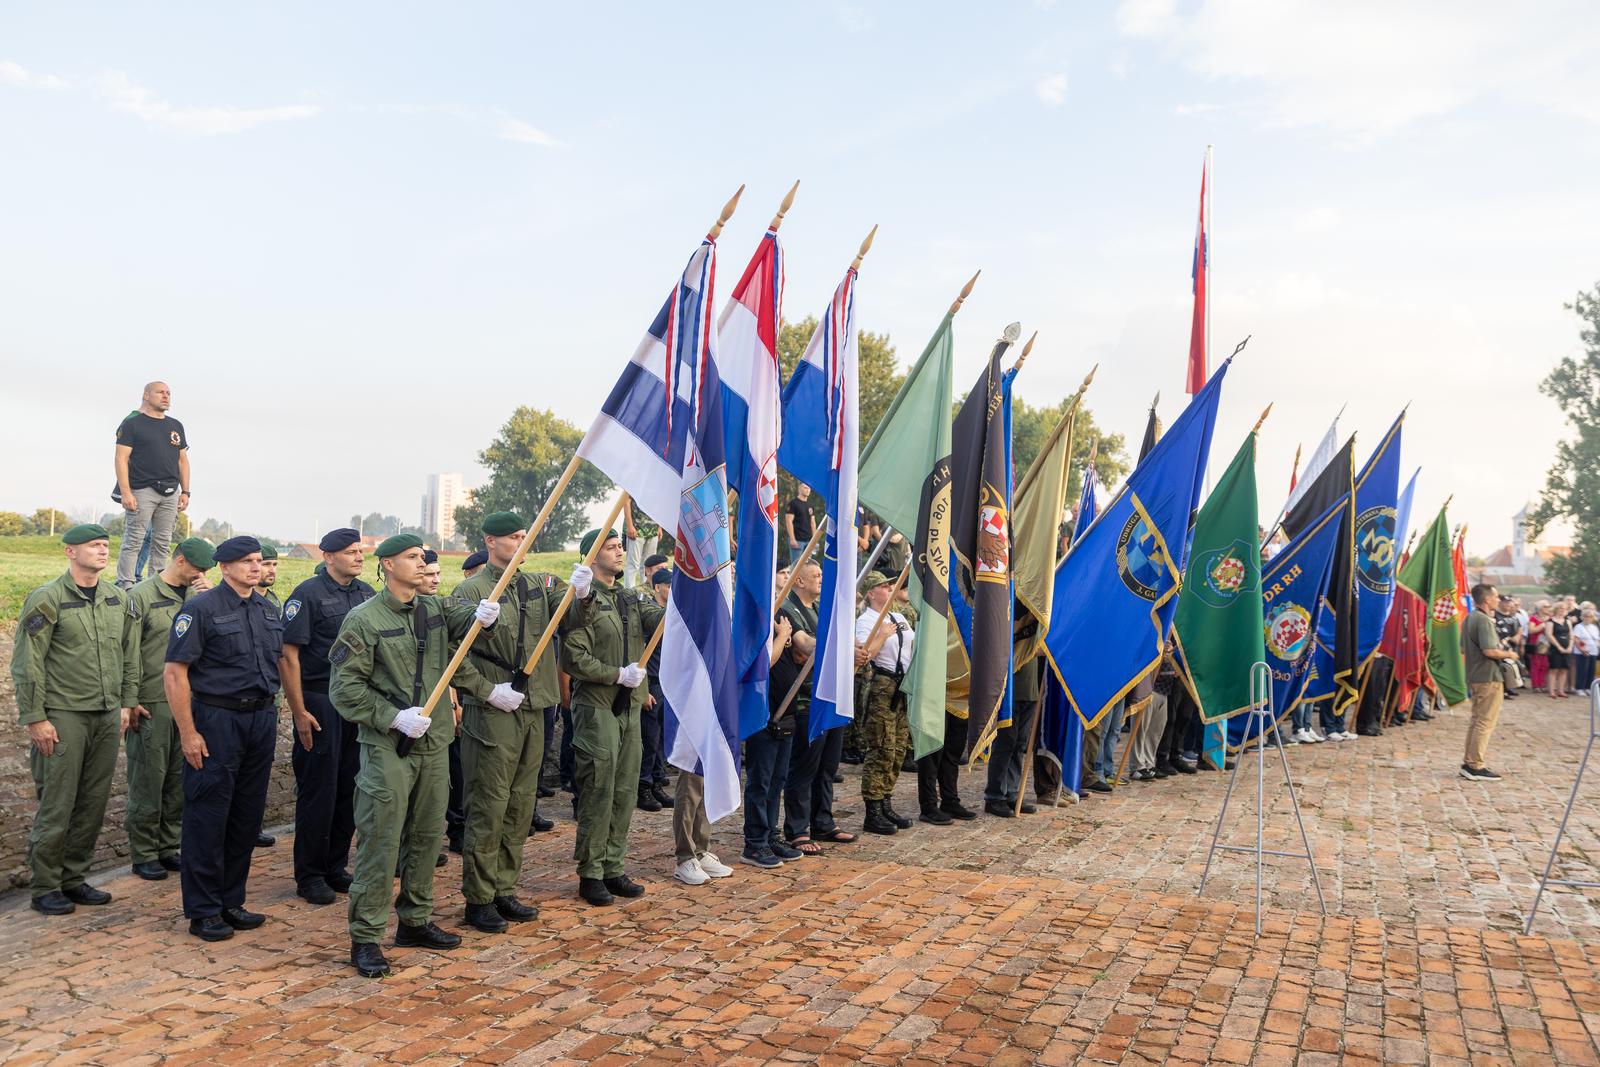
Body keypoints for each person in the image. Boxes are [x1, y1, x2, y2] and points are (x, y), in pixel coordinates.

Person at [329, 534, 503, 977]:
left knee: (427, 836)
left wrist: (486, 614)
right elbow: (345, 689)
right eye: (412, 557)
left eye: (423, 556)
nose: (422, 562)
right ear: (387, 565)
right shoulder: (363, 619)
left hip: (434, 741)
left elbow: (465, 619)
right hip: (388, 744)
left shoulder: (434, 609)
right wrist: (392, 717)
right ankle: (366, 937)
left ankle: (415, 920)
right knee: (381, 840)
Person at [450, 512, 593, 934]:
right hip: (494, 710)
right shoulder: (469, 591)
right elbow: (453, 653)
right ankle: (478, 897)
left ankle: (503, 888)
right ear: (490, 541)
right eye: (513, 536)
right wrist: (485, 690)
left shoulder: (538, 584)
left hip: (536, 705)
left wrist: (582, 594)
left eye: (524, 536)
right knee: (489, 803)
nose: (521, 542)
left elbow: (571, 621)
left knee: (520, 804)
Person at [163, 536, 283, 941]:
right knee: (208, 815)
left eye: (258, 560)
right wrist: (188, 732)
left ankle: (232, 901)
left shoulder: (267, 610)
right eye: (246, 561)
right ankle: (203, 910)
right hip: (217, 719)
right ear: (224, 567)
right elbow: (175, 674)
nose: (255, 567)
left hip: (260, 718)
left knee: (246, 816)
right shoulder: (201, 609)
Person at [12, 524, 130, 915]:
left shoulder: (115, 597)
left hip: (106, 713)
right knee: (57, 803)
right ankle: (46, 885)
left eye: (105, 545)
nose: (103, 551)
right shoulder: (47, 598)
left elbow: (128, 655)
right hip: (64, 716)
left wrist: (126, 704)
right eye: (94, 545)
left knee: (93, 802)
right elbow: (28, 662)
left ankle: (74, 878)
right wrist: (36, 718)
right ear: (70, 552)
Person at [559, 528, 664, 906]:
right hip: (598, 705)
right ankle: (590, 872)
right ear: (591, 555)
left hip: (631, 706)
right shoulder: (580, 599)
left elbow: (659, 622)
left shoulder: (631, 597)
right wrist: (615, 674)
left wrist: (688, 596)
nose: (620, 552)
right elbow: (573, 657)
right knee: (599, 788)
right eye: (611, 546)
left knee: (624, 789)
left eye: (621, 546)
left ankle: (613, 866)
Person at [280, 528, 375, 905]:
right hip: (321, 700)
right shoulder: (307, 594)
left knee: (350, 787)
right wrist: (299, 711)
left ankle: (335, 866)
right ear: (328, 557)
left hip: (357, 701)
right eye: (351, 552)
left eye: (360, 551)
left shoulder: (366, 594)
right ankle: (310, 875)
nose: (359, 557)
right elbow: (289, 656)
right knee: (319, 790)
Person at [120, 536, 215, 880]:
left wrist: (211, 597)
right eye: (198, 568)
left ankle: (168, 846)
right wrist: (129, 699)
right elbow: (127, 650)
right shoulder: (141, 596)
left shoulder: (199, 597)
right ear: (180, 561)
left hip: (189, 701)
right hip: (152, 701)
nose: (201, 575)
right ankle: (144, 852)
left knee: (179, 778)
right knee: (149, 779)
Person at [780, 559, 857, 852]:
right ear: (799, 580)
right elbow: (803, 645)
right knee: (804, 767)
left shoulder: (819, 609)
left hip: (831, 696)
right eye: (816, 575)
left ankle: (822, 821)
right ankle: (797, 829)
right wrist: (839, 647)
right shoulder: (789, 608)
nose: (821, 579)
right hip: (806, 700)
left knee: (827, 766)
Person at [114, 382, 191, 588]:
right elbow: (121, 458)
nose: (166, 396)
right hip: (142, 489)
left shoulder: (175, 426)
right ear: (146, 395)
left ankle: (156, 585)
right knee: (134, 540)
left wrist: (185, 491)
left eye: (168, 393)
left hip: (171, 492)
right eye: (160, 392)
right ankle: (126, 585)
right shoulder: (132, 423)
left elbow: (182, 460)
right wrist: (126, 492)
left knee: (163, 542)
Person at [855, 572, 915, 836]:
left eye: (891, 585)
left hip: (902, 686)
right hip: (882, 685)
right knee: (881, 747)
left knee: (898, 748)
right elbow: (864, 655)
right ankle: (873, 810)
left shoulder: (899, 617)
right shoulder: (866, 620)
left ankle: (886, 802)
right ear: (871, 593)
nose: (890, 588)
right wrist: (881, 635)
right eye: (884, 586)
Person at [742, 612, 799, 869]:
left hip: (785, 715)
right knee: (760, 782)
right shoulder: (753, 617)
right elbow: (762, 664)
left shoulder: (781, 615)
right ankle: (755, 843)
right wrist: (783, 635)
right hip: (763, 714)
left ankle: (771, 835)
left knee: (777, 781)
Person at [1461, 583, 1516, 782]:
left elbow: (1463, 648)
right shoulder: (1484, 620)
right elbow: (1490, 651)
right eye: (1496, 596)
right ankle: (1475, 764)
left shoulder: (1470, 617)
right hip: (1488, 676)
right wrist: (1509, 654)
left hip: (1475, 674)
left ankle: (1470, 761)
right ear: (1486, 599)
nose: (1498, 600)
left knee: (1477, 720)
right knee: (1485, 721)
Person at [984, 642, 1043, 816]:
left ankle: (1012, 793)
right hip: (1011, 692)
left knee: (1019, 745)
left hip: (1030, 691)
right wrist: (1036, 648)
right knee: (1005, 745)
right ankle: (994, 796)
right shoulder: (1013, 627)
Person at [621, 499, 660, 588]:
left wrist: (659, 527)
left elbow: (659, 503)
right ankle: (629, 591)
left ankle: (647, 590)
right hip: (636, 530)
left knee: (650, 564)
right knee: (633, 565)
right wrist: (630, 526)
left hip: (653, 530)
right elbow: (626, 502)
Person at [1495, 597, 1524, 699]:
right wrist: (1509, 639)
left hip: (1513, 646)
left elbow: (1520, 628)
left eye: (1509, 602)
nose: (1508, 604)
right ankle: (1502, 690)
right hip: (1501, 646)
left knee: (1511, 667)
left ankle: (1509, 688)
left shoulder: (1513, 617)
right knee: (1502, 668)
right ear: (1500, 603)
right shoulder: (1495, 615)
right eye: (1505, 602)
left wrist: (1517, 637)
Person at [783, 485, 815, 565]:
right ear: (799, 488)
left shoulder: (810, 505)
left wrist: (814, 539)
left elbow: (812, 522)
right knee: (796, 565)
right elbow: (789, 521)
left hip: (809, 540)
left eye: (809, 488)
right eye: (805, 488)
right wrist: (792, 539)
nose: (808, 490)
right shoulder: (793, 504)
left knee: (808, 566)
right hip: (797, 540)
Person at [1547, 605, 1573, 699]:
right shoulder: (1550, 621)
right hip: (1555, 649)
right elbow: (1549, 635)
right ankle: (1552, 691)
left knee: (1564, 669)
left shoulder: (1568, 621)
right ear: (1556, 609)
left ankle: (1561, 690)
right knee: (1554, 669)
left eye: (1564, 609)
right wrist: (1559, 647)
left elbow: (1571, 635)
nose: (1562, 610)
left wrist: (1570, 646)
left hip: (1567, 648)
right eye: (1560, 608)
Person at [1574, 609, 1599, 693]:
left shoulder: (1594, 627)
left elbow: (1597, 639)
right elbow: (1576, 639)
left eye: (1590, 616)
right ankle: (1580, 688)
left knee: (1591, 671)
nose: (1588, 618)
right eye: (1586, 616)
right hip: (1582, 652)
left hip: (1593, 652)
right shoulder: (1578, 627)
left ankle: (1588, 688)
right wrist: (1582, 649)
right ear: (1582, 617)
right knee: (1582, 670)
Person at [1527, 601, 1549, 693]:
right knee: (1536, 664)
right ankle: (1536, 685)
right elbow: (1531, 630)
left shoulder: (1550, 618)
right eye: (1546, 606)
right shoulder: (1533, 618)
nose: (1548, 608)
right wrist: (1542, 626)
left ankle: (1542, 684)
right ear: (1540, 608)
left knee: (1545, 665)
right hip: (1536, 644)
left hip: (1547, 645)